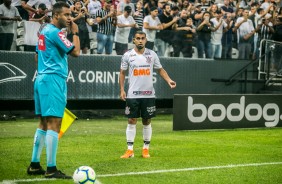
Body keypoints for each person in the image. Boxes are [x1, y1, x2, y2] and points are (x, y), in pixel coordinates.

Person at [27, 1, 80, 179]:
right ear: (56, 15)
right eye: (66, 15)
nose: (69, 18)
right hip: (53, 80)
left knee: (43, 123)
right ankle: (51, 168)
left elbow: (36, 56)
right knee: (55, 123)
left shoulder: (44, 32)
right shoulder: (56, 33)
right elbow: (76, 52)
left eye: (70, 15)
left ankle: (35, 164)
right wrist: (76, 32)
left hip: (41, 78)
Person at [119, 31, 176, 159]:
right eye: (138, 38)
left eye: (142, 38)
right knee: (131, 120)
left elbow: (160, 69)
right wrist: (122, 89)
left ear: (146, 40)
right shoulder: (127, 55)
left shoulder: (152, 54)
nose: (140, 40)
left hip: (148, 94)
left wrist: (169, 80)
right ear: (133, 40)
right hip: (133, 94)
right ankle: (130, 150)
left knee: (147, 120)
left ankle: (145, 149)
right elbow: (122, 72)